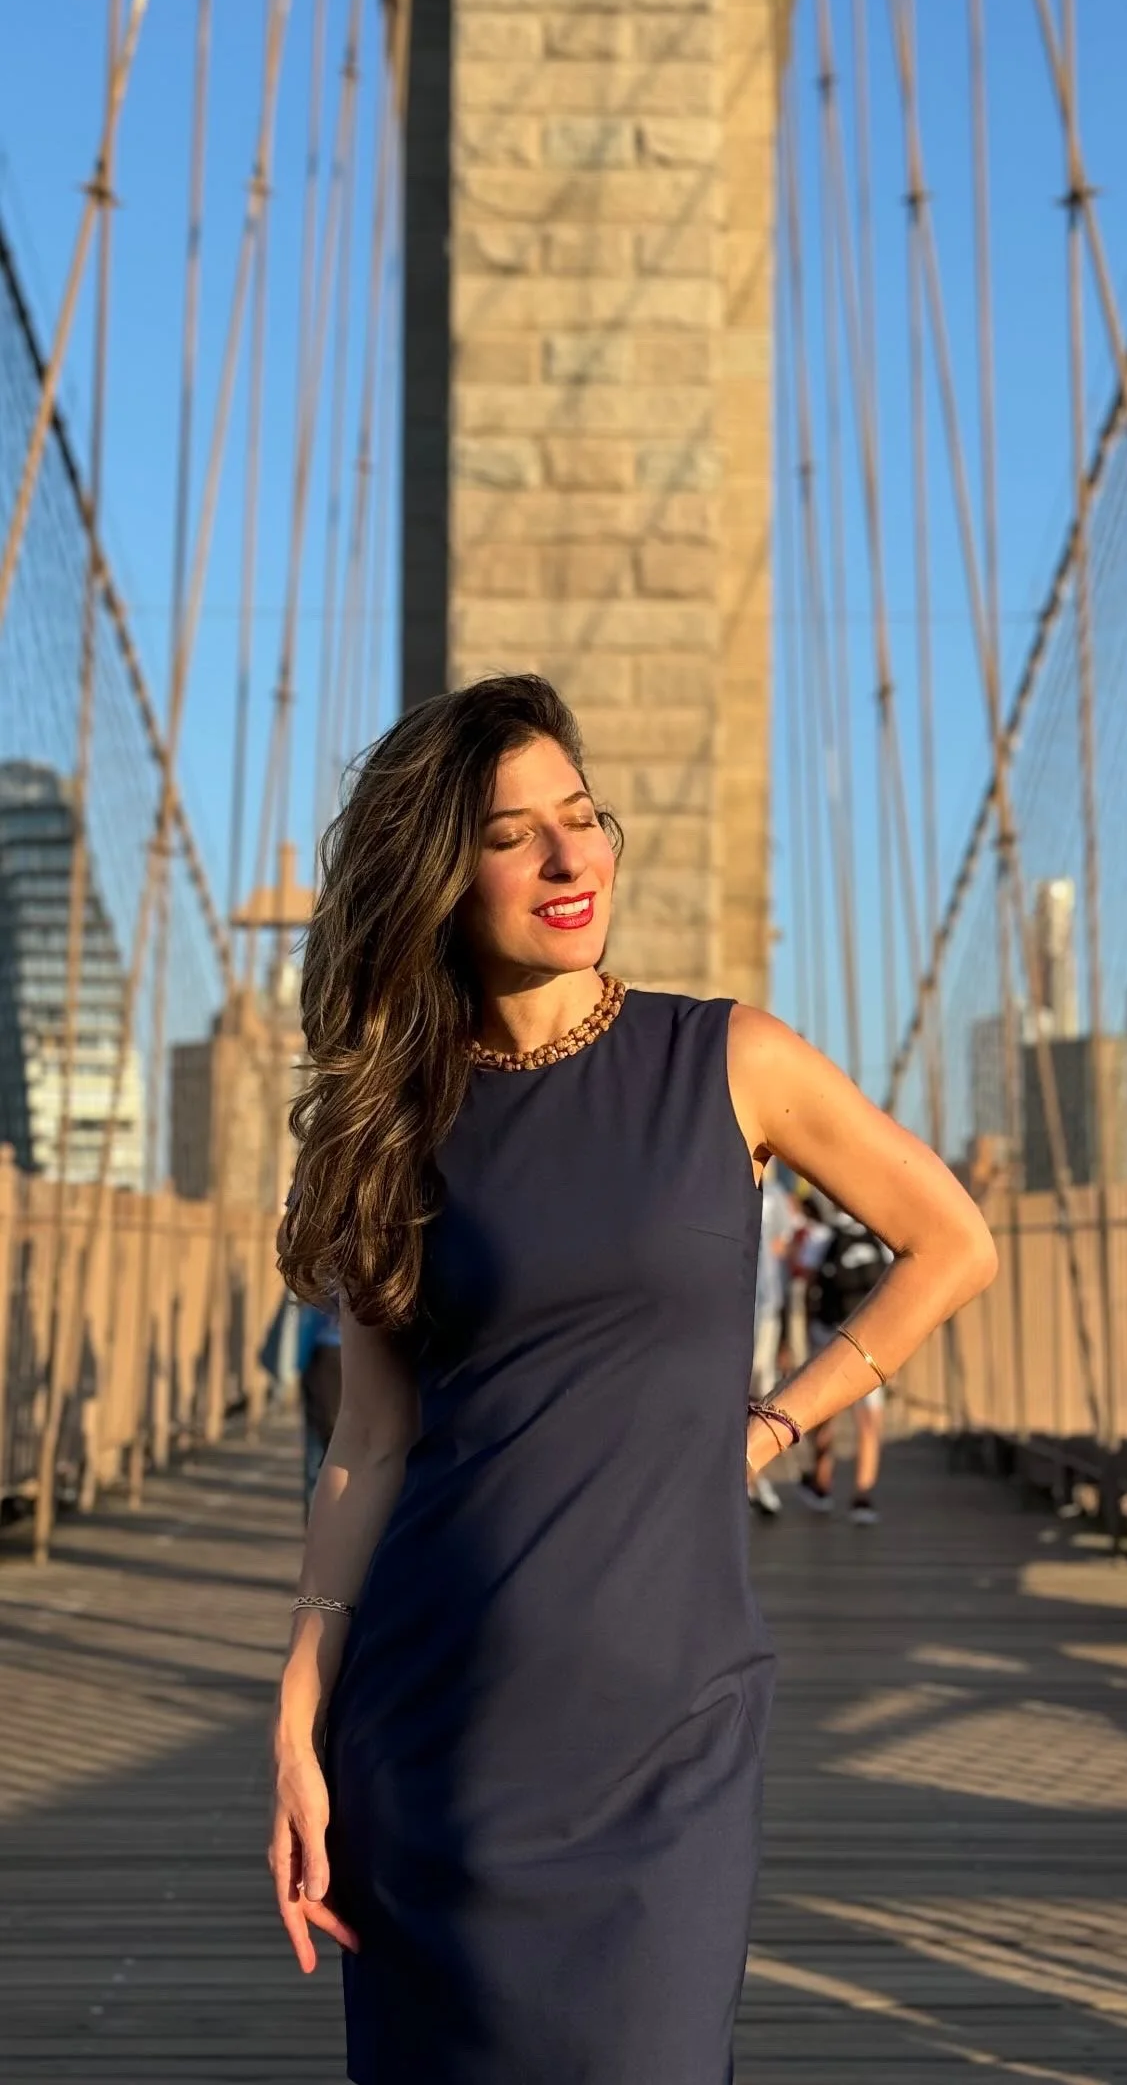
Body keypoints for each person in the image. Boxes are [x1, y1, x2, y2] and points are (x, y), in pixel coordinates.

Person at [269, 674, 997, 2085]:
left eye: (581, 817)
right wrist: (297, 1718)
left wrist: (771, 1424)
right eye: (508, 834)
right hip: (435, 1739)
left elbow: (948, 1242)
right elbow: (367, 1442)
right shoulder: (389, 1127)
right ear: (433, 872)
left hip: (669, 1732)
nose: (566, 859)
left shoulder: (727, 1060)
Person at [796, 1191, 893, 1522]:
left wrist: (805, 1334)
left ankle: (822, 1485)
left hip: (829, 1336)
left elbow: (807, 1288)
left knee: (825, 1413)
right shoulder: (878, 1236)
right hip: (869, 1342)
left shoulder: (822, 1238)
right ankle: (863, 1496)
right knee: (869, 1421)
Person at [747, 1159, 797, 1517]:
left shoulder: (776, 1197)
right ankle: (750, 1481)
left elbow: (782, 1248)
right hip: (727, 1308)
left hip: (764, 1307)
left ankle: (753, 1474)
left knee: (759, 1389)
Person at [296, 1301, 343, 1520]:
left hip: (324, 1359)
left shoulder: (323, 1274)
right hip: (343, 1359)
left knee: (319, 1456)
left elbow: (306, 1332)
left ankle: (315, 1523)